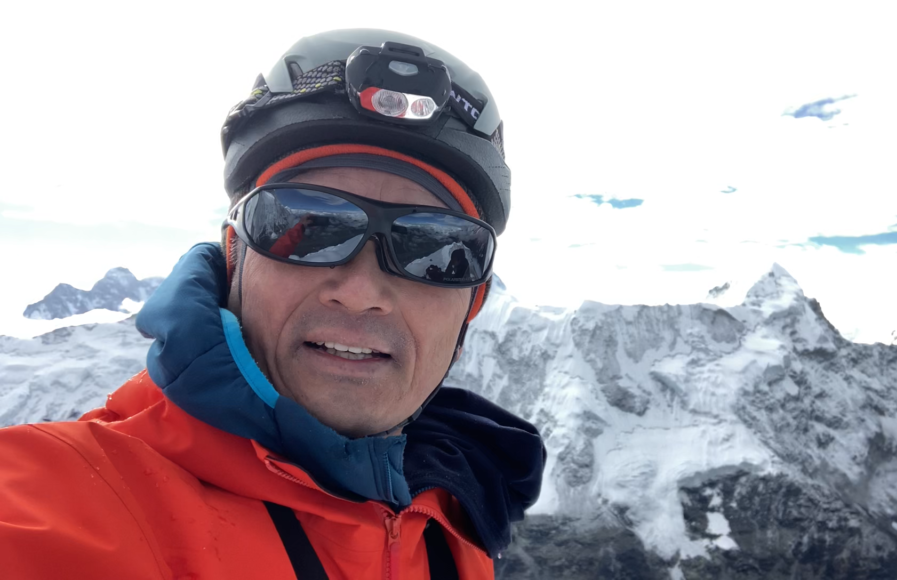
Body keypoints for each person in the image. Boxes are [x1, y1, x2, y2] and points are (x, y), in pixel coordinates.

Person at [0, 29, 545, 579]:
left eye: (435, 251)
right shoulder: (65, 502)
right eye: (307, 228)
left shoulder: (455, 527)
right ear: (233, 257)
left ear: (473, 303)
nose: (360, 292)